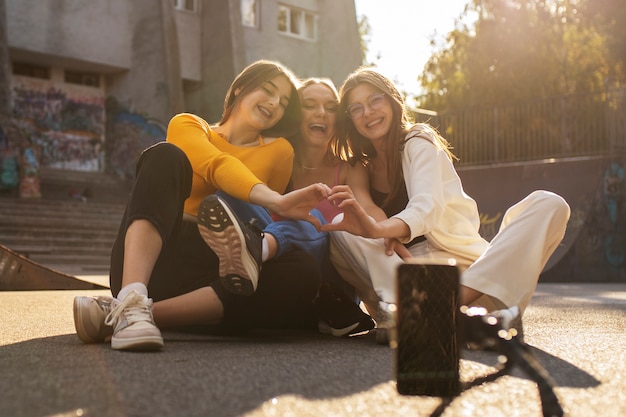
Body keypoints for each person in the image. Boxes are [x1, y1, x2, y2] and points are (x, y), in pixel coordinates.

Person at [73, 60, 331, 351]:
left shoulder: (280, 151)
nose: (274, 103)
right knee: (165, 156)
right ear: (239, 89)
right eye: (268, 90)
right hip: (156, 257)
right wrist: (278, 200)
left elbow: (261, 218)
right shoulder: (188, 125)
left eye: (283, 101)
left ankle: (131, 314)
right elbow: (216, 165)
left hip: (219, 268)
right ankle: (132, 296)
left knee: (303, 270)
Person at [322, 67, 571, 343]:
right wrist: (380, 231)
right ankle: (424, 313)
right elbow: (368, 214)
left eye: (375, 100)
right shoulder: (360, 165)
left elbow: (426, 207)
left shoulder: (418, 140)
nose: (367, 112)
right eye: (356, 108)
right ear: (350, 119)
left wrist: (383, 230)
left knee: (550, 204)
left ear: (392, 100)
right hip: (409, 281)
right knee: (341, 228)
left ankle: (446, 310)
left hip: (468, 275)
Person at [209, 77, 380, 337]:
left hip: (331, 285)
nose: (321, 113)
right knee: (230, 194)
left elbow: (368, 208)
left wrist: (390, 232)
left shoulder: (350, 168)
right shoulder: (277, 157)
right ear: (296, 116)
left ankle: (259, 247)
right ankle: (256, 253)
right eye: (309, 105)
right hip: (284, 271)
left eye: (331, 107)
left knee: (317, 218)